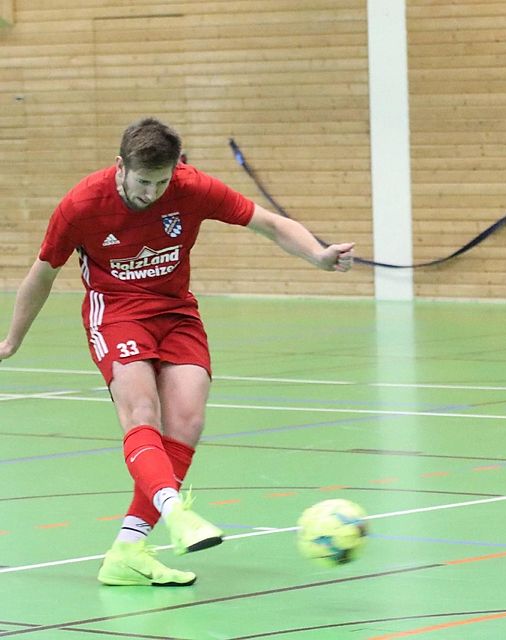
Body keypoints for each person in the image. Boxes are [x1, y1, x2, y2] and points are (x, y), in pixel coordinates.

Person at [0, 117, 355, 586]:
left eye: (162, 181)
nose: (152, 192)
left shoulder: (191, 188)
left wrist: (318, 255)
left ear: (177, 170)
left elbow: (267, 223)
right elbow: (42, 274)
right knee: (141, 409)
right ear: (120, 166)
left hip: (176, 311)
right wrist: (12, 340)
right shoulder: (82, 205)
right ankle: (175, 512)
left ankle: (128, 551)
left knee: (188, 420)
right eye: (143, 182)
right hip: (117, 312)